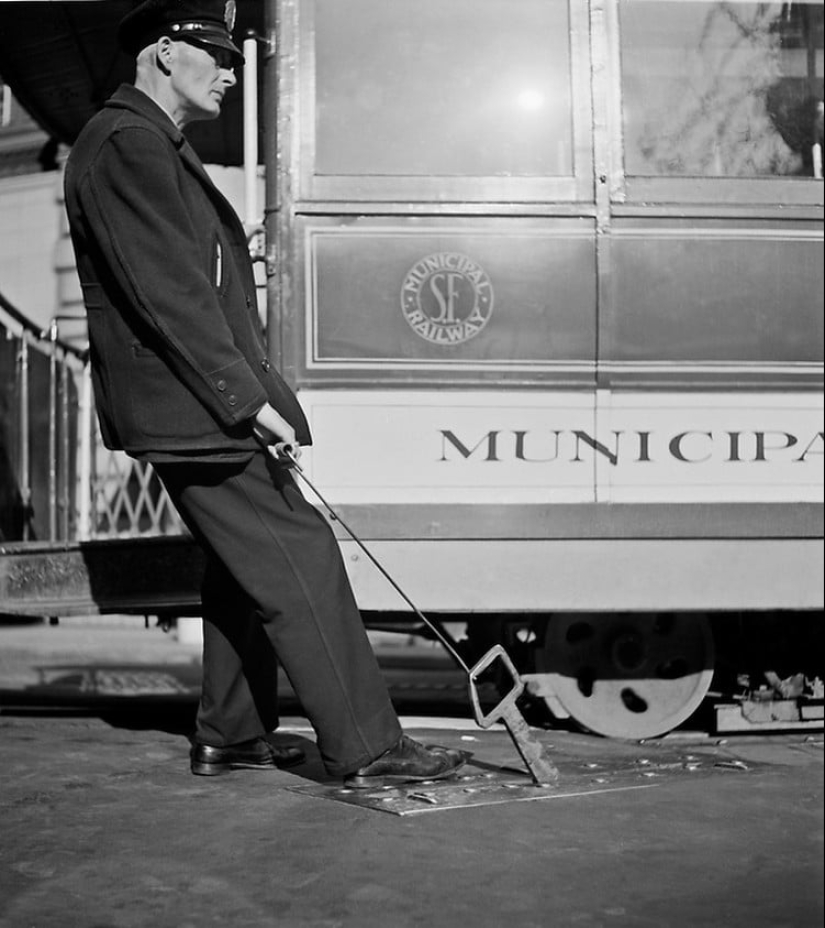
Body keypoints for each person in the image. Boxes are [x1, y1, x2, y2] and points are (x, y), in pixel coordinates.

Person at [64, 0, 466, 788]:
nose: (229, 72)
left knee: (239, 569)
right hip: (195, 408)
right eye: (213, 56)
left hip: (192, 402)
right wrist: (247, 401)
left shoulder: (144, 143)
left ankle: (232, 733)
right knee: (301, 552)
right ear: (162, 53)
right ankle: (370, 748)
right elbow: (171, 295)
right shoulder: (127, 143)